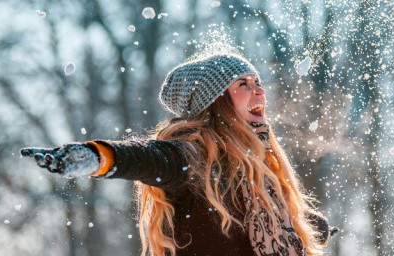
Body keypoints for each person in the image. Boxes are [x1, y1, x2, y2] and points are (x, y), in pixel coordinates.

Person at [21, 53, 336, 256]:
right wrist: (97, 157)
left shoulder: (259, 170)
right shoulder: (194, 156)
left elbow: (254, 220)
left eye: (258, 82)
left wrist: (306, 227)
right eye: (243, 83)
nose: (259, 90)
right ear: (216, 102)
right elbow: (149, 158)